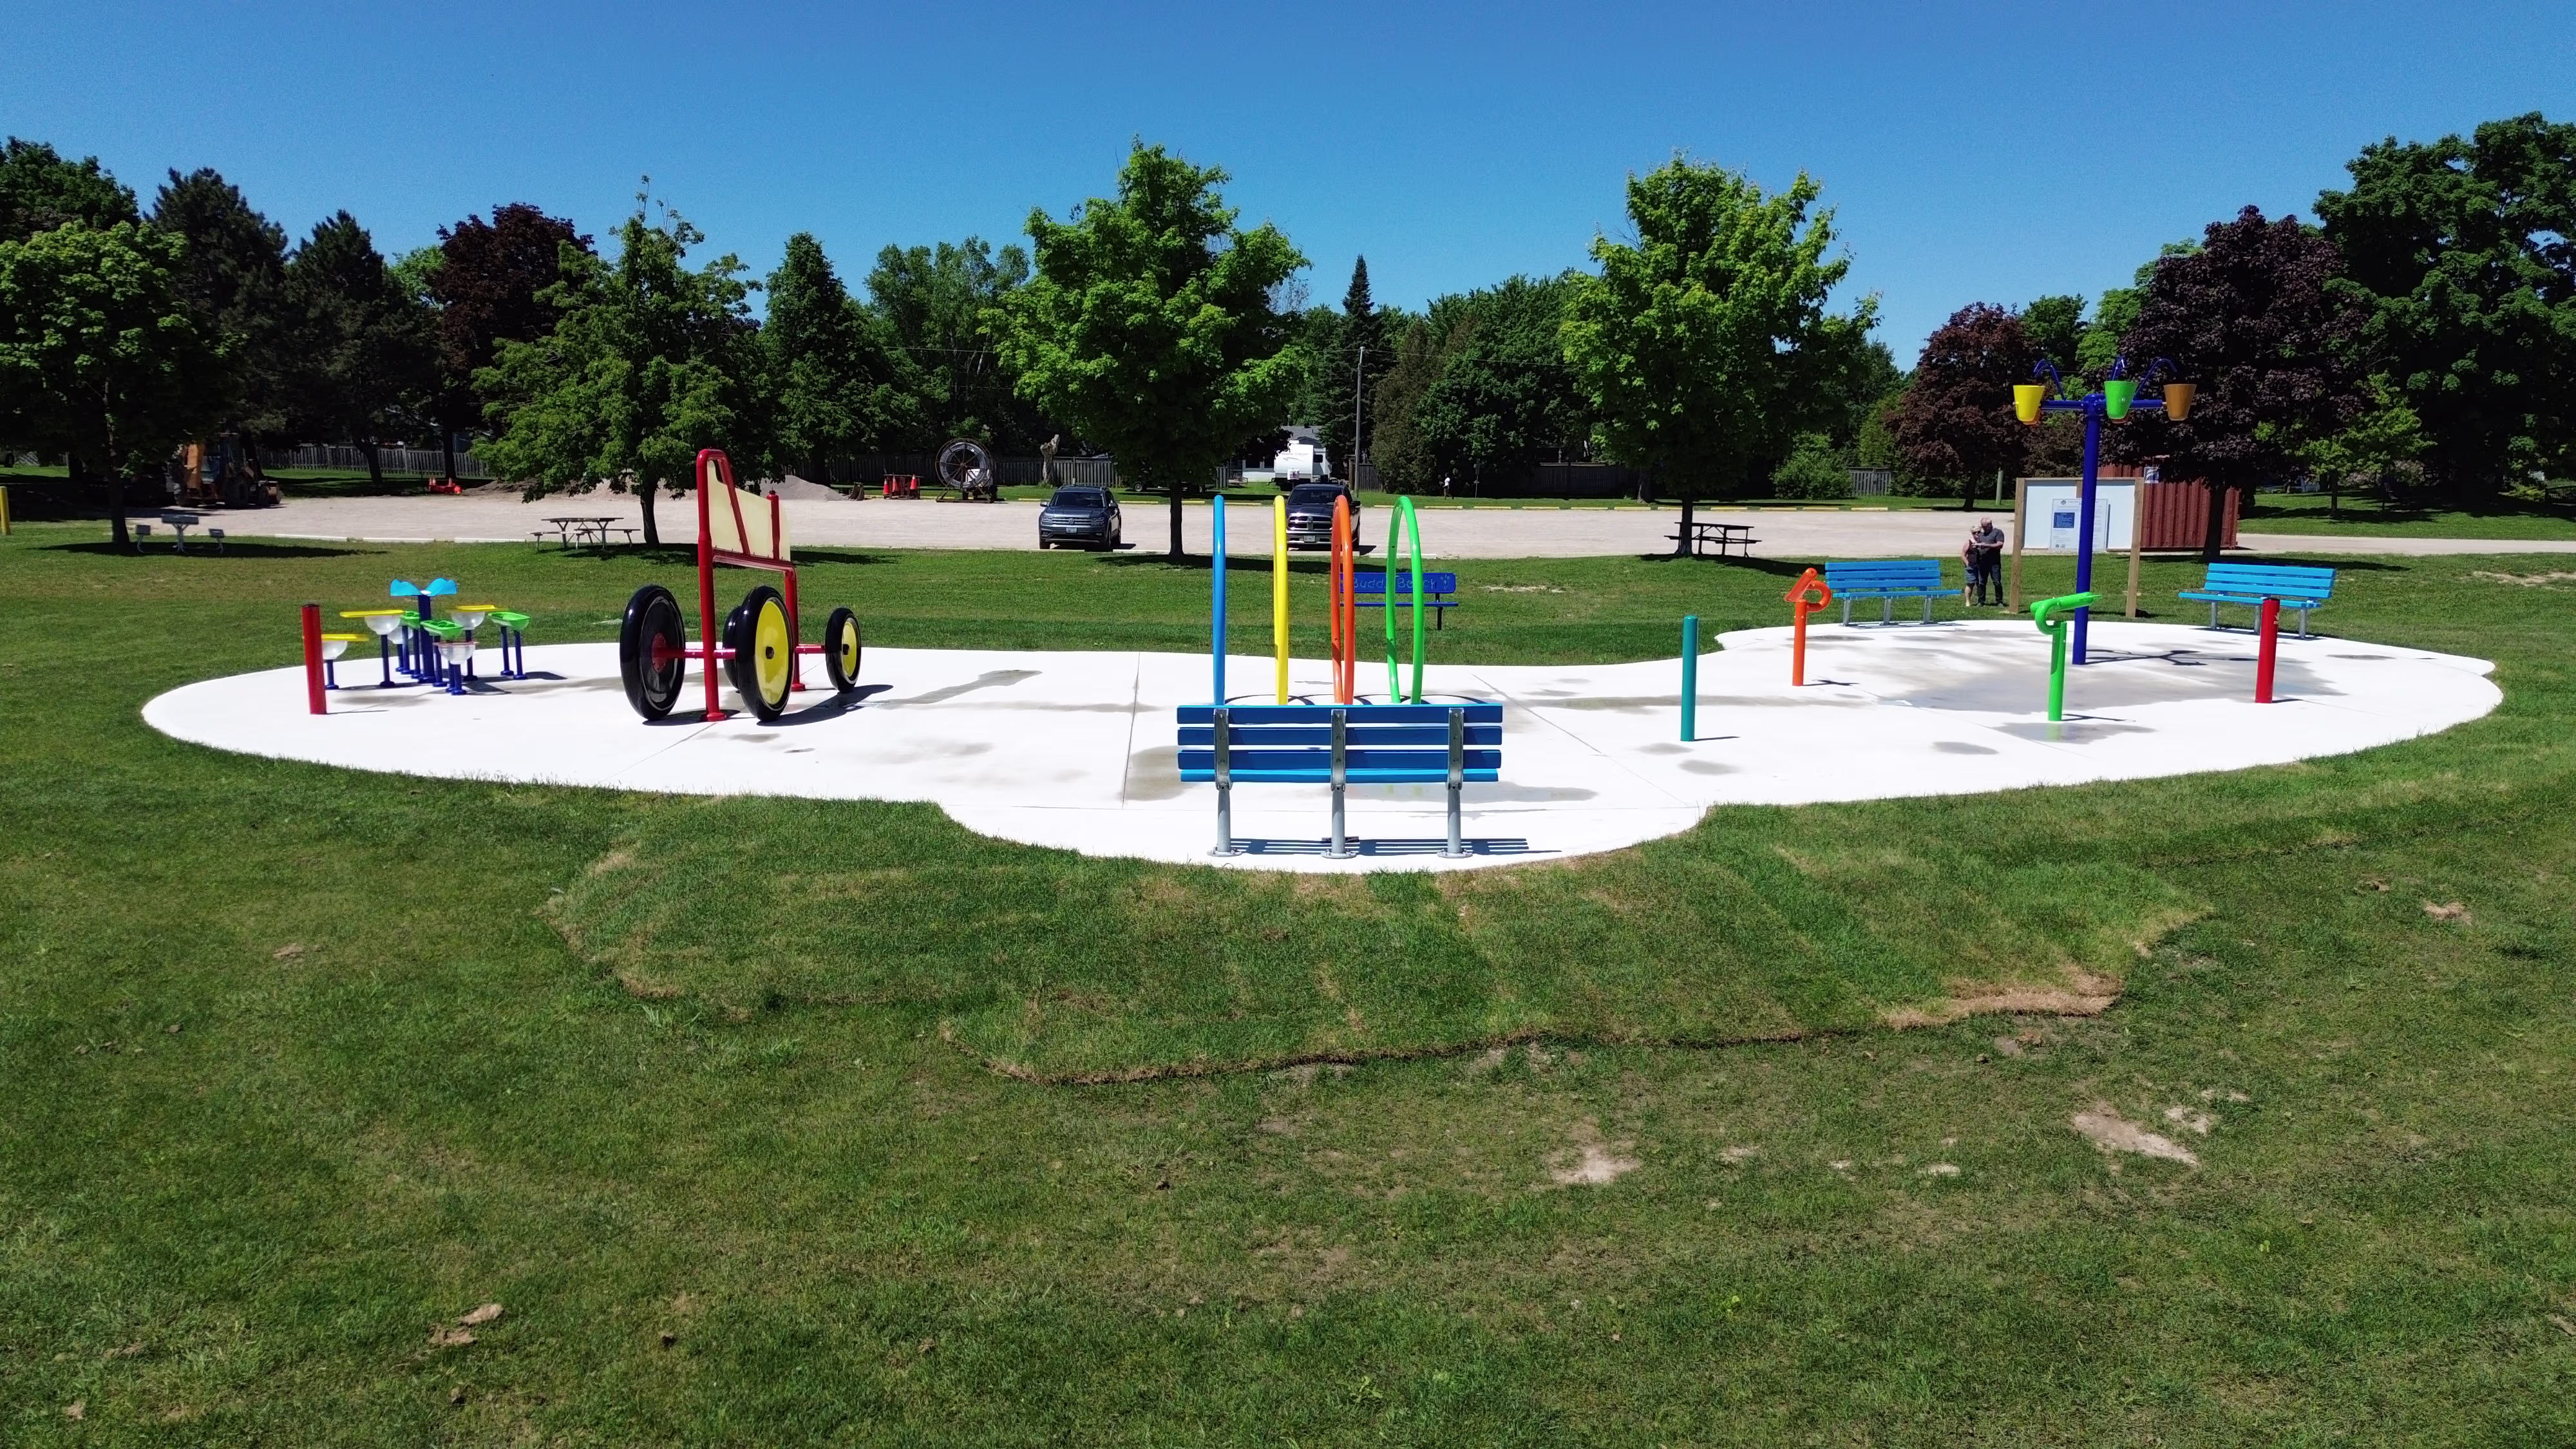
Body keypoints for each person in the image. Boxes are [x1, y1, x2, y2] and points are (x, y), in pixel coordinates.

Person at [1966, 516, 2006, 605]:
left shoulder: (1998, 532)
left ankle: (1999, 601)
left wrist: (1987, 545)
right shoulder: (1981, 535)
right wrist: (1976, 546)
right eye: (1982, 526)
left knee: (1997, 581)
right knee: (1981, 582)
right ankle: (1981, 601)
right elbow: (1977, 544)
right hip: (1982, 562)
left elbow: (2000, 544)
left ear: (1990, 525)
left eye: (1984, 526)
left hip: (1994, 562)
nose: (1983, 528)